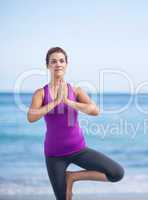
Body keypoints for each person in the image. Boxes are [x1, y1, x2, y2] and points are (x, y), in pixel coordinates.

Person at [27, 47, 124, 200]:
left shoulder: (75, 90)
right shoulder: (41, 93)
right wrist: (55, 103)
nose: (58, 64)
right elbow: (31, 117)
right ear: (48, 66)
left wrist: (68, 101)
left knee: (117, 173)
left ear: (66, 64)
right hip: (54, 155)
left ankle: (72, 177)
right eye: (53, 61)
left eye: (61, 61)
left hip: (78, 150)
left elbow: (95, 110)